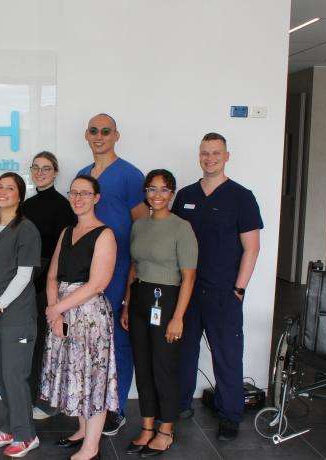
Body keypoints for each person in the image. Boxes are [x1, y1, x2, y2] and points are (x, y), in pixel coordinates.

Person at [172, 133, 263, 441]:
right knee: (184, 352)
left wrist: (239, 289)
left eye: (216, 153)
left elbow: (252, 248)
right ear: (199, 156)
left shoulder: (241, 196)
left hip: (224, 291)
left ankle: (230, 415)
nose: (209, 158)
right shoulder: (185, 195)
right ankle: (181, 404)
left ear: (227, 156)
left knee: (226, 354)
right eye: (205, 153)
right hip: (188, 290)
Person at [39, 175, 119, 460]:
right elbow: (52, 276)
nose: (78, 198)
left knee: (92, 378)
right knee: (76, 374)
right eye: (74, 193)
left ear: (96, 198)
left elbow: (97, 283)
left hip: (88, 315)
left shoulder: (105, 234)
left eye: (85, 193)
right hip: (61, 309)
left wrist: (56, 309)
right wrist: (54, 311)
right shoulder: (66, 231)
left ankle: (91, 447)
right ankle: (83, 430)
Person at [78, 113, 148, 435]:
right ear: (86, 135)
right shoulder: (82, 176)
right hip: (86, 271)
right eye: (94, 131)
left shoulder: (130, 176)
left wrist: (134, 271)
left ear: (116, 136)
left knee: (117, 338)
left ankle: (115, 408)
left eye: (106, 131)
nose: (99, 136)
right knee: (89, 339)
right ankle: (90, 405)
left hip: (119, 271)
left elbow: (143, 225)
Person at [120, 169, 197, 456]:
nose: (157, 195)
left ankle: (166, 429)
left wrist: (177, 317)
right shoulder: (139, 225)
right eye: (152, 189)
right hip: (140, 298)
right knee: (143, 365)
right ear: (145, 193)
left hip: (165, 301)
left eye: (164, 190)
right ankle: (147, 426)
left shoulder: (182, 228)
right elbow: (133, 267)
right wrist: (128, 303)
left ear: (172, 193)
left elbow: (188, 277)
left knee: (163, 366)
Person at [0, 172, 42, 458]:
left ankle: (26, 435)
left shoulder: (27, 230)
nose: (3, 191)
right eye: (0, 187)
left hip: (15, 314)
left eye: (10, 188)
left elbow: (24, 276)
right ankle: (10, 426)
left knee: (15, 375)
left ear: (19, 195)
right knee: (3, 374)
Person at [21, 151, 76, 420]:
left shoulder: (63, 206)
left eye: (46, 168)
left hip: (47, 285)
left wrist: (44, 284)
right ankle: (32, 398)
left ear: (55, 172)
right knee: (31, 344)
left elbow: (62, 250)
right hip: (26, 284)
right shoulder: (26, 205)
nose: (40, 172)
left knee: (48, 344)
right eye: (36, 168)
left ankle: (46, 402)